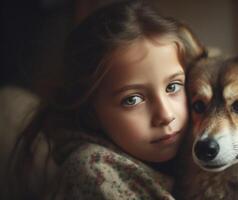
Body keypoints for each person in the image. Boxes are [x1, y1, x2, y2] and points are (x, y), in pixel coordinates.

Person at [8, 0, 205, 199]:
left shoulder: (190, 154)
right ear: (90, 112)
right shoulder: (94, 171)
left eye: (173, 87)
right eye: (132, 100)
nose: (165, 115)